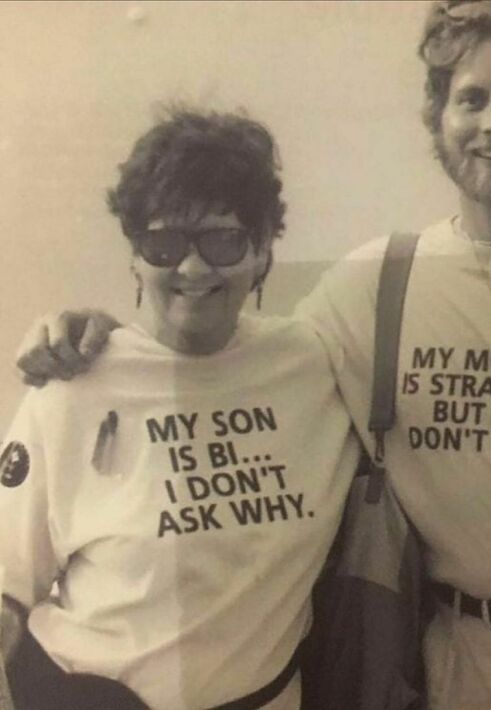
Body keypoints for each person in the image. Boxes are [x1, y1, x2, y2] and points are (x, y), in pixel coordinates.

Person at [13, 2, 491, 708]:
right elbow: (200, 339)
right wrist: (92, 338)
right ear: (437, 116)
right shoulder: (374, 287)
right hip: (460, 660)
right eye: (471, 99)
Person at [0, 107, 358, 709]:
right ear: (136, 257)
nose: (192, 268)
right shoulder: (71, 388)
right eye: (164, 243)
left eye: (223, 240)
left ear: (263, 250)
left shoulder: (316, 364)